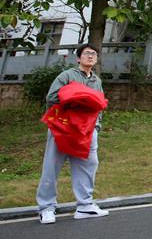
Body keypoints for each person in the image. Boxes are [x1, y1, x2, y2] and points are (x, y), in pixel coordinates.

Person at [36, 44, 108, 224]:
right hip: (63, 128)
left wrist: (96, 126)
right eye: (86, 53)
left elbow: (99, 106)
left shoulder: (96, 81)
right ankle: (46, 208)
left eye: (94, 54)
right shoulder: (67, 75)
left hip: (87, 131)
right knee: (51, 167)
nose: (90, 56)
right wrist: (78, 97)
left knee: (88, 165)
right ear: (78, 58)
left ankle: (84, 205)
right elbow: (52, 97)